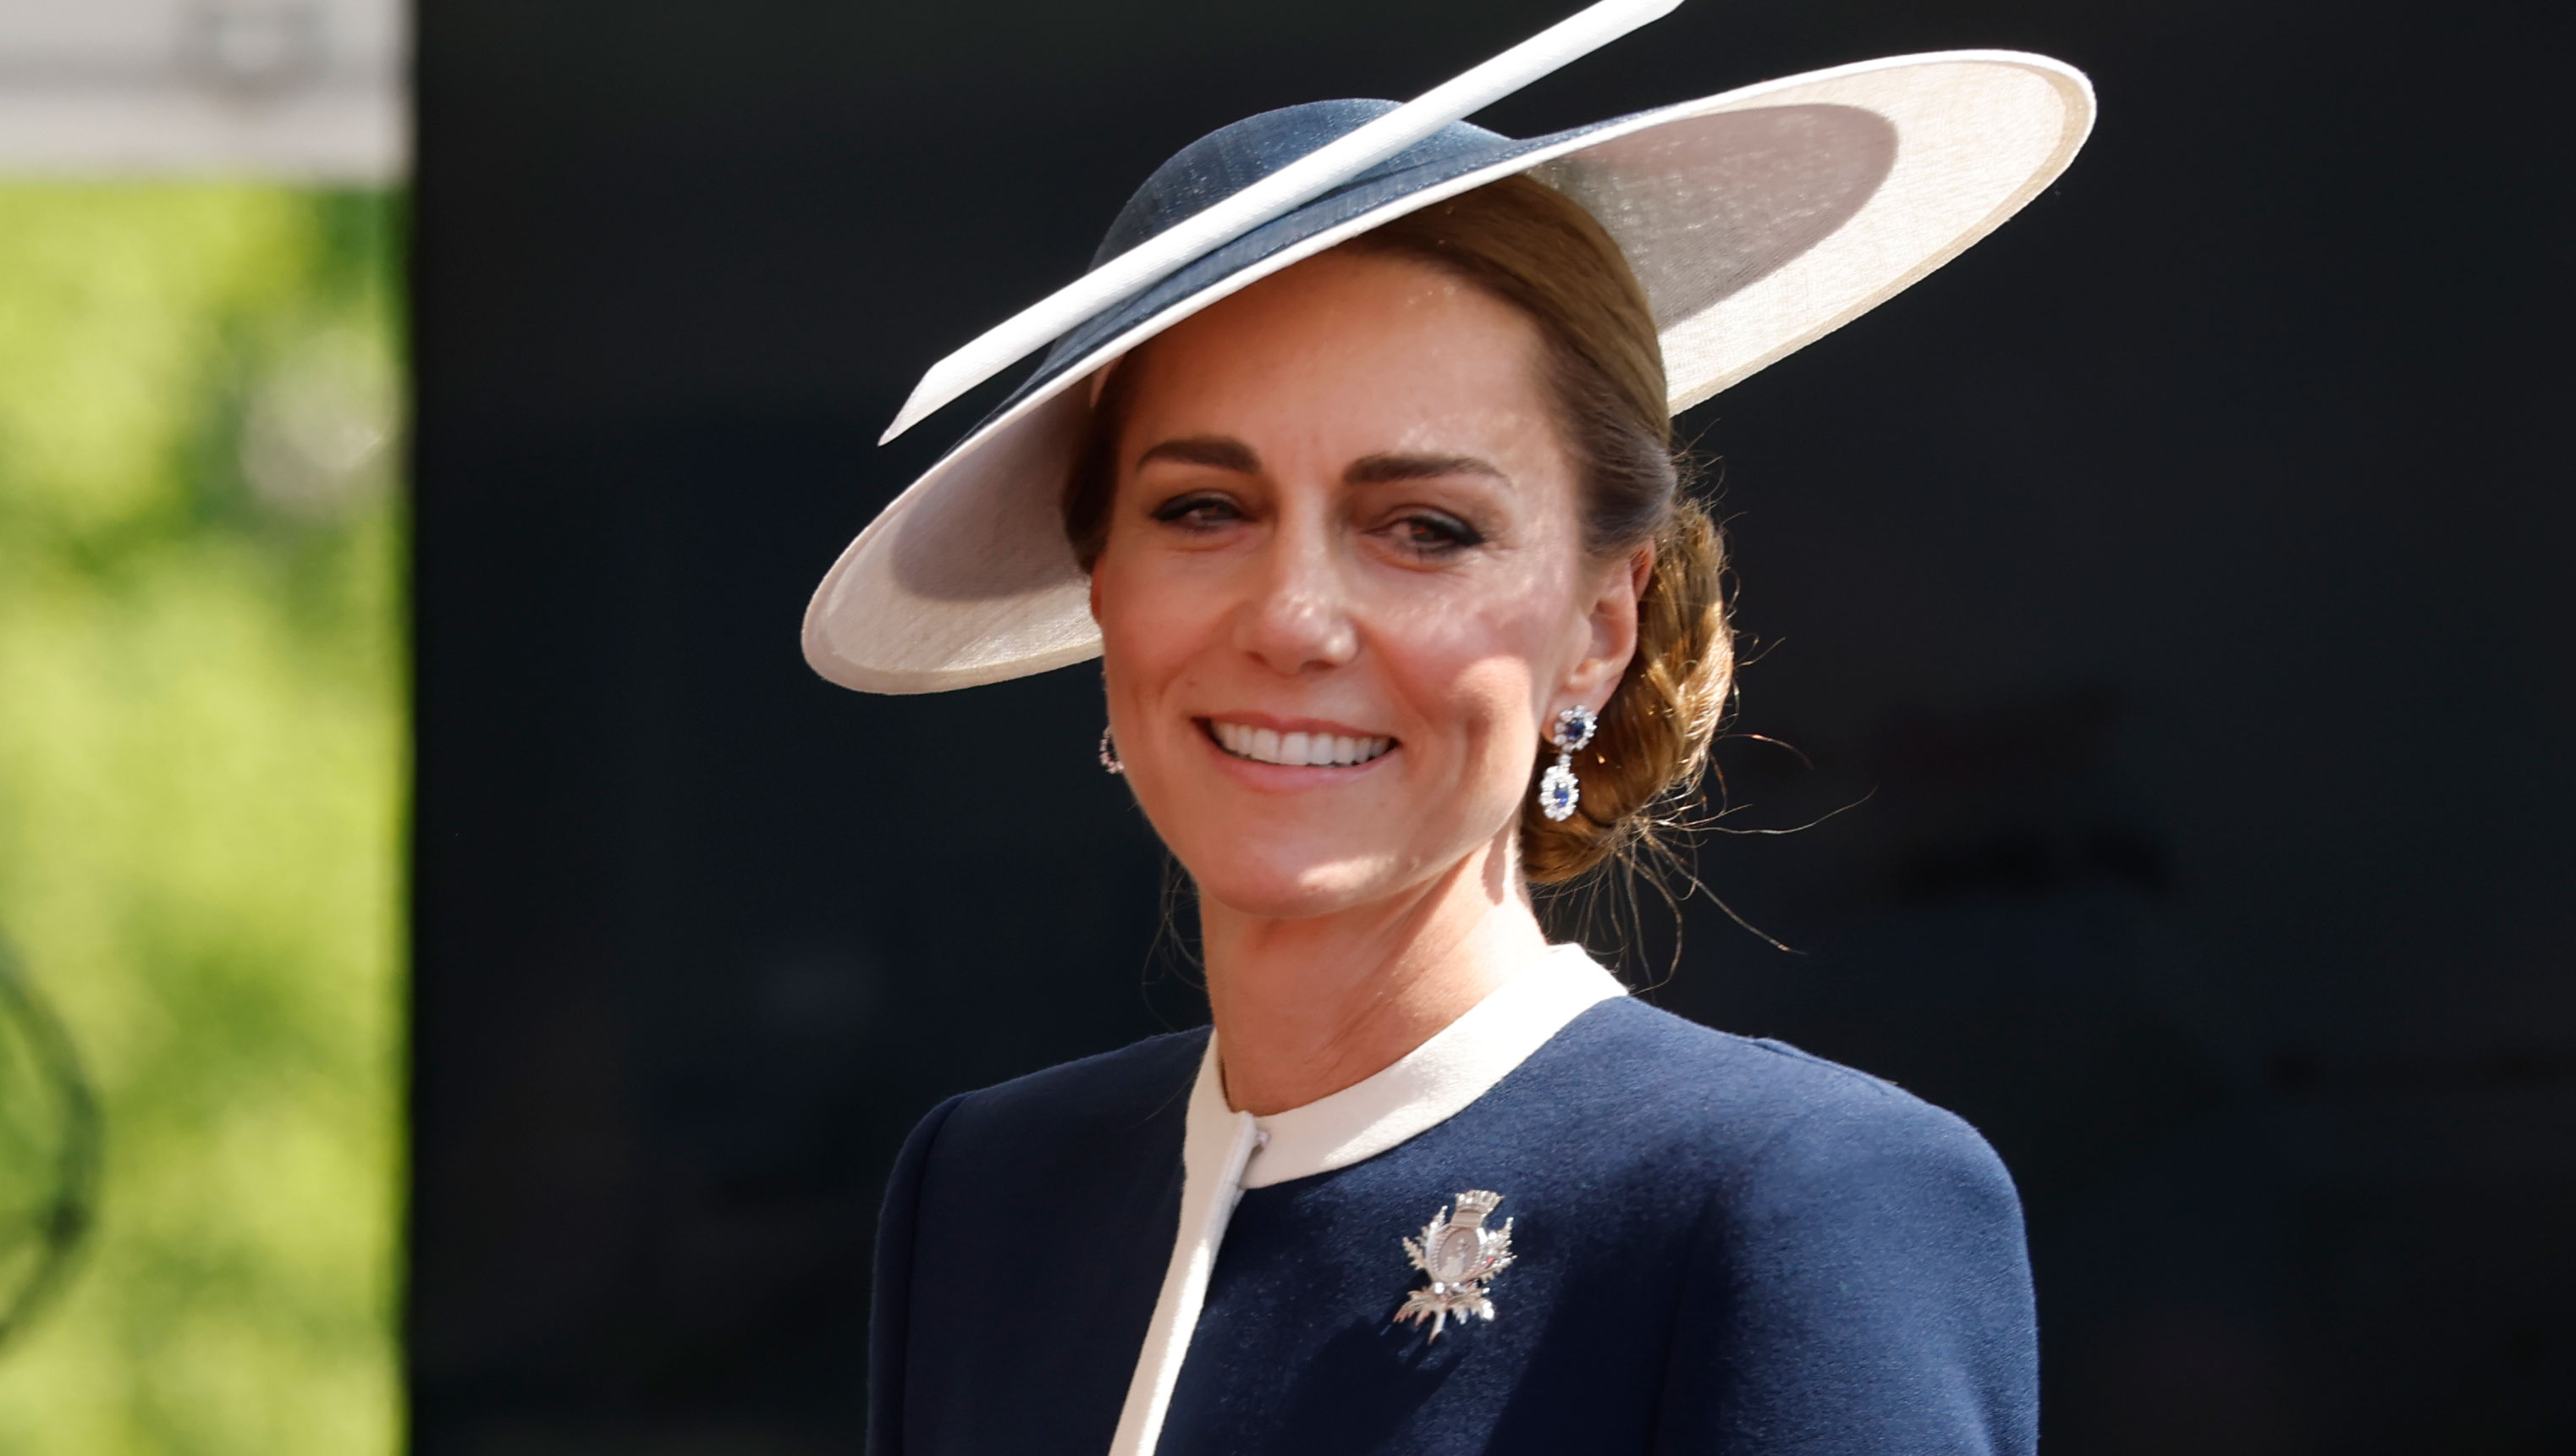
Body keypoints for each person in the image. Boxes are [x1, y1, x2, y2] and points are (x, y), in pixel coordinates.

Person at [801, 6, 2094, 1452]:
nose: (1293, 620)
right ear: (1104, 584)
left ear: (1601, 626)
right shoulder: (989, 1189)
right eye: (1204, 510)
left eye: (1425, 527)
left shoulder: (1792, 1200)